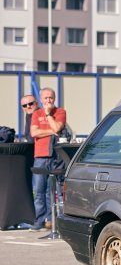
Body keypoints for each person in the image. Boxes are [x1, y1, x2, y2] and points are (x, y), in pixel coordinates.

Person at [29, 87, 67, 231]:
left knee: (54, 190)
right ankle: (39, 221)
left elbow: (57, 128)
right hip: (40, 156)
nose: (48, 100)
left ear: (54, 98)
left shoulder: (60, 112)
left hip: (55, 156)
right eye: (45, 98)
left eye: (50, 97)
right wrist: (51, 131)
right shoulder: (36, 113)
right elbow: (34, 132)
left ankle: (54, 221)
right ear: (40, 99)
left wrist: (48, 115)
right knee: (39, 190)